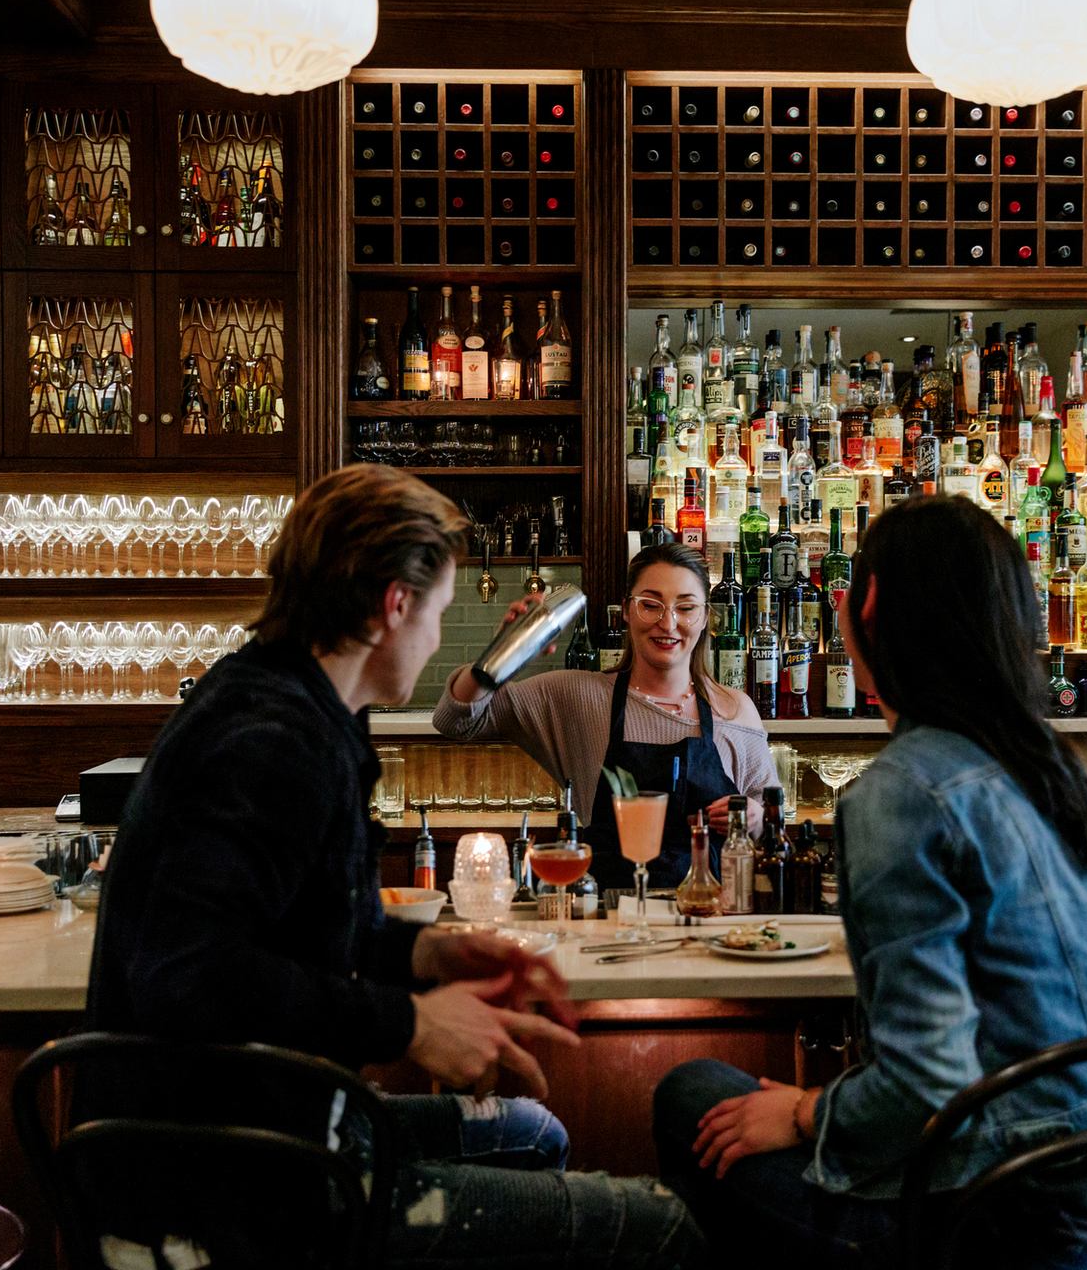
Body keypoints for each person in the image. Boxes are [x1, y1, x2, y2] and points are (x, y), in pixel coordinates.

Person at [86, 464, 704, 1268]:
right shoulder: (268, 740)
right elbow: (191, 976)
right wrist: (410, 1023)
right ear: (394, 605)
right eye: (440, 610)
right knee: (660, 1225)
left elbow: (291, 936)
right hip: (219, 1190)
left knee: (531, 1131)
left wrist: (425, 954)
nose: (438, 631)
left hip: (275, 1129)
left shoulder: (296, 706)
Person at [652, 494, 1087, 1270]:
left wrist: (808, 1111)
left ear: (868, 605)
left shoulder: (903, 792)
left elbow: (927, 1087)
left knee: (690, 1096)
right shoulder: (1036, 765)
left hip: (986, 1225)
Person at [434, 542, 779, 891]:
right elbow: (457, 720)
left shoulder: (734, 709)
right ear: (627, 610)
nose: (668, 623)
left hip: (711, 917)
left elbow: (772, 822)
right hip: (606, 920)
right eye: (650, 605)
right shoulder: (578, 697)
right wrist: (500, 655)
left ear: (705, 618)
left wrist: (754, 817)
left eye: (686, 607)